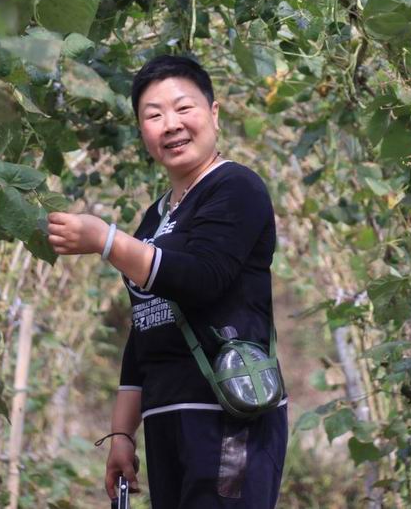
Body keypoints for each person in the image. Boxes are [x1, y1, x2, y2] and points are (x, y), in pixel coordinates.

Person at [47, 55, 287, 508]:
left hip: (227, 413)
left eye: (184, 108)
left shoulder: (236, 187)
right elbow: (146, 327)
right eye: (154, 115)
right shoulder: (154, 217)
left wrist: (106, 241)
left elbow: (203, 278)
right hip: (166, 415)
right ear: (142, 131)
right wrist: (122, 433)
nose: (171, 124)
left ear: (214, 113)